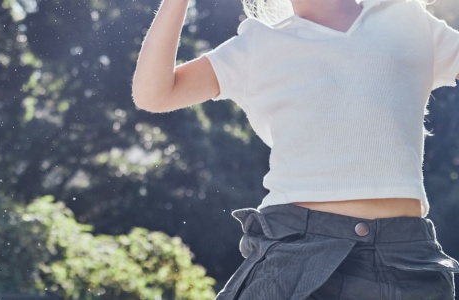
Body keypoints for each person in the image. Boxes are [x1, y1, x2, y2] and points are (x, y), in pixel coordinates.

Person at [133, 0, 459, 298]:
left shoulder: (407, 19)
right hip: (295, 256)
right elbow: (155, 93)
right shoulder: (258, 45)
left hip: (406, 261)